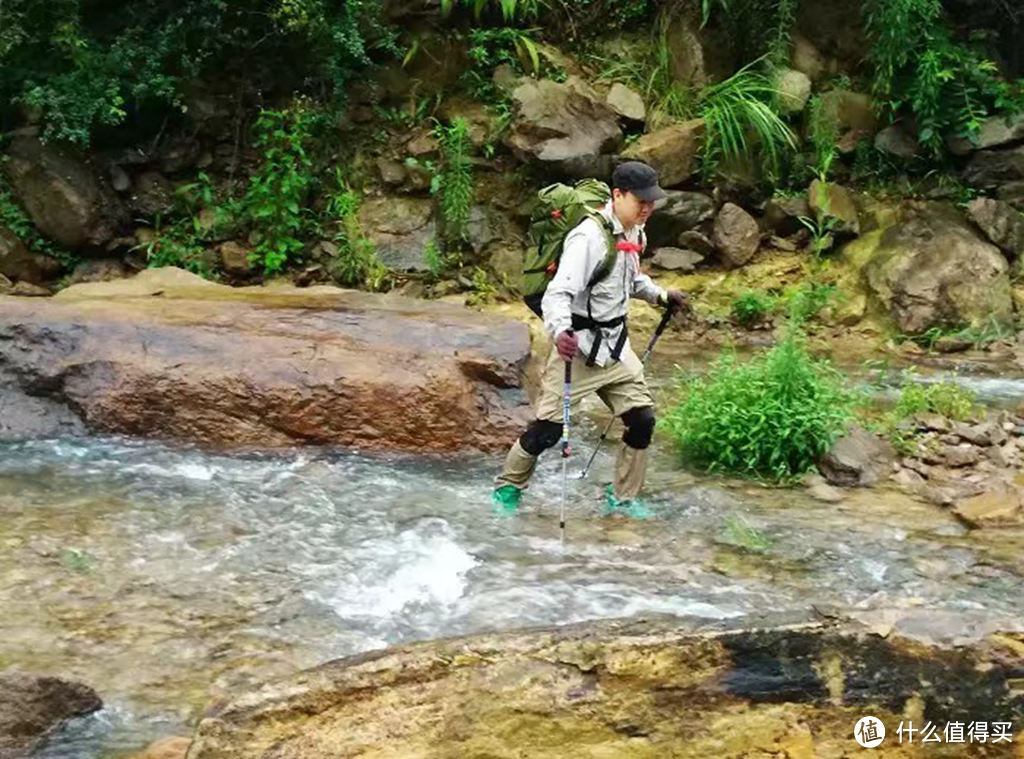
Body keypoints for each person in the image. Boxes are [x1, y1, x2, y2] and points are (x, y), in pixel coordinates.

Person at [492, 160, 688, 518]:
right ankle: (507, 488)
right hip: (578, 349)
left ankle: (624, 499)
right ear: (617, 195)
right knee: (546, 433)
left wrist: (660, 295)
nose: (648, 207)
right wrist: (560, 332)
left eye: (652, 201)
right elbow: (557, 294)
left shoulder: (636, 232)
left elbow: (629, 280)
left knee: (642, 420)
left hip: (616, 348)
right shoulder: (588, 237)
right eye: (640, 200)